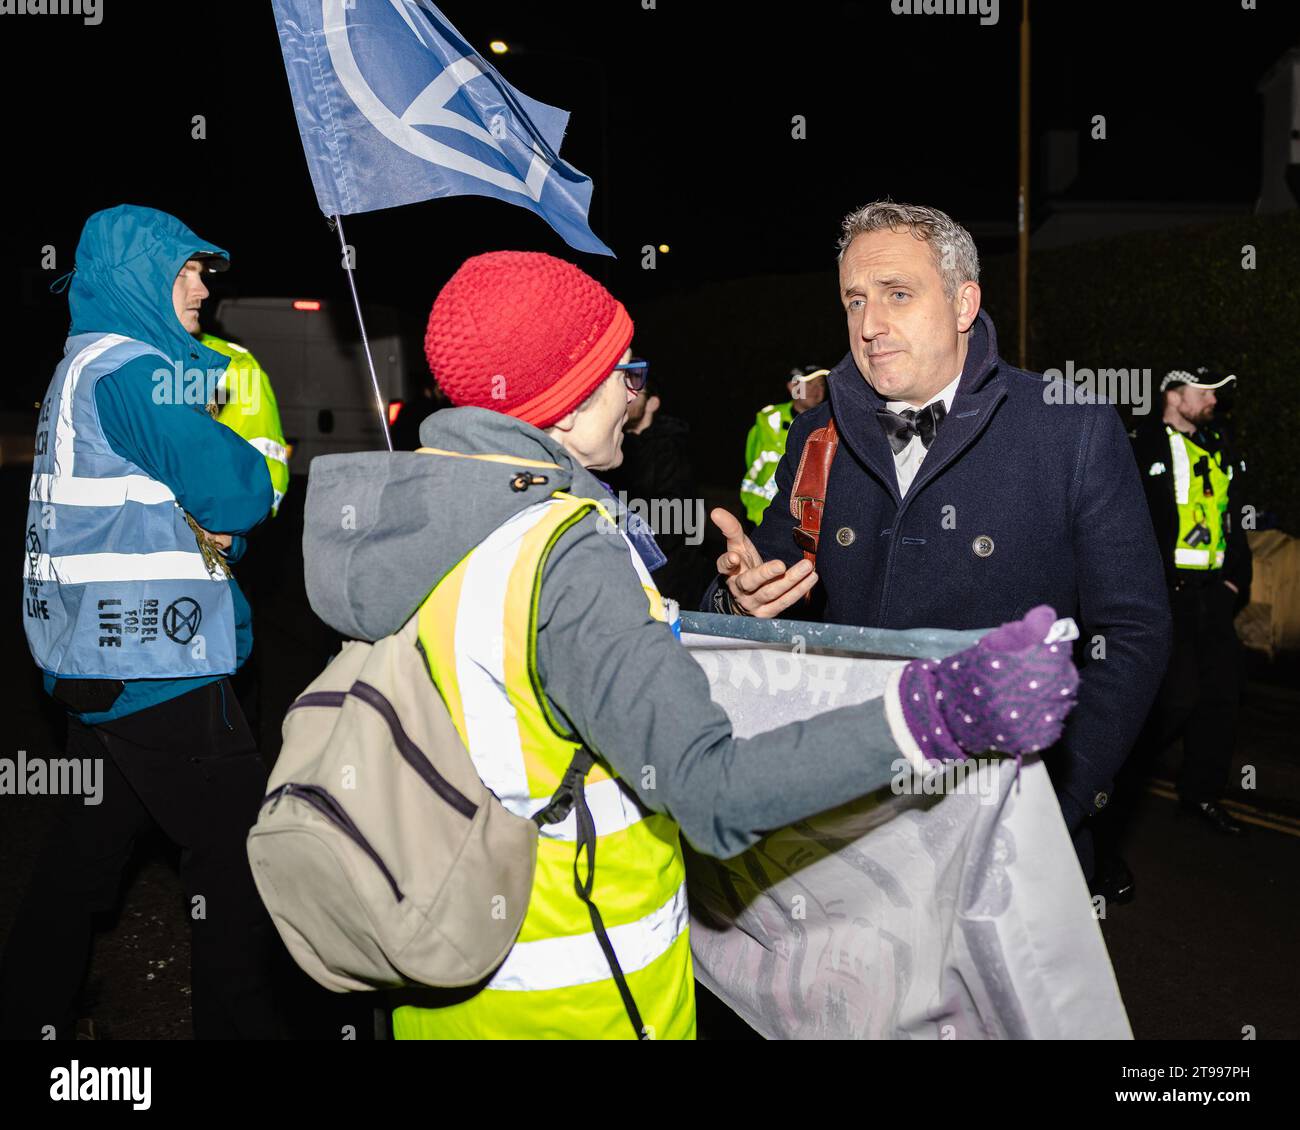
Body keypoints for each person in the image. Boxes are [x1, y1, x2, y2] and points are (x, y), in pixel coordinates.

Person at [300, 249, 1081, 1040]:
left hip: (449, 1002)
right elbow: (712, 793)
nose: (633, 394)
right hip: (579, 1004)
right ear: (566, 406)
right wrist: (936, 711)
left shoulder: (430, 524)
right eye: (621, 372)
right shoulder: (563, 553)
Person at [703, 200, 1172, 881]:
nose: (870, 325)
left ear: (962, 302)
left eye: (898, 295)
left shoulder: (1069, 429)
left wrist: (1054, 804)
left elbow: (1132, 632)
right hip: (845, 832)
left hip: (1006, 837)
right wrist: (735, 603)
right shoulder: (816, 439)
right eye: (855, 300)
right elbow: (759, 600)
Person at [2, 205, 277, 1039]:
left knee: (85, 858)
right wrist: (242, 489)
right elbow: (236, 486)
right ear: (137, 279)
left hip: (102, 660)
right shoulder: (130, 370)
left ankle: (28, 1007)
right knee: (239, 868)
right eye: (188, 269)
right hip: (158, 663)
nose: (204, 287)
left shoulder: (80, 366)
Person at [1129, 367, 1251, 834]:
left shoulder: (1218, 446)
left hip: (1215, 596)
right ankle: (1113, 787)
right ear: (1173, 394)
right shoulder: (1141, 445)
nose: (1214, 401)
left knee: (1221, 699)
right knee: (1174, 700)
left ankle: (1201, 795)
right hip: (1166, 597)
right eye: (1205, 391)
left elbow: (1232, 512)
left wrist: (1236, 581)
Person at [602, 364, 709, 606]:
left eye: (636, 392)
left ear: (653, 404)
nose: (627, 396)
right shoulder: (617, 445)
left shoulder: (672, 448)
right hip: (627, 568)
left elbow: (676, 518)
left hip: (667, 575)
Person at [200, 329, 291, 516]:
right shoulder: (131, 352)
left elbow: (266, 459)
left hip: (200, 525)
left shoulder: (230, 363)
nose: (202, 296)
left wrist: (234, 527)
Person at [740, 365, 828, 525]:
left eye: (821, 384)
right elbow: (750, 459)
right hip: (758, 516)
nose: (816, 390)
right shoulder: (767, 419)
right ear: (793, 387)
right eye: (809, 383)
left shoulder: (829, 426)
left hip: (806, 521)